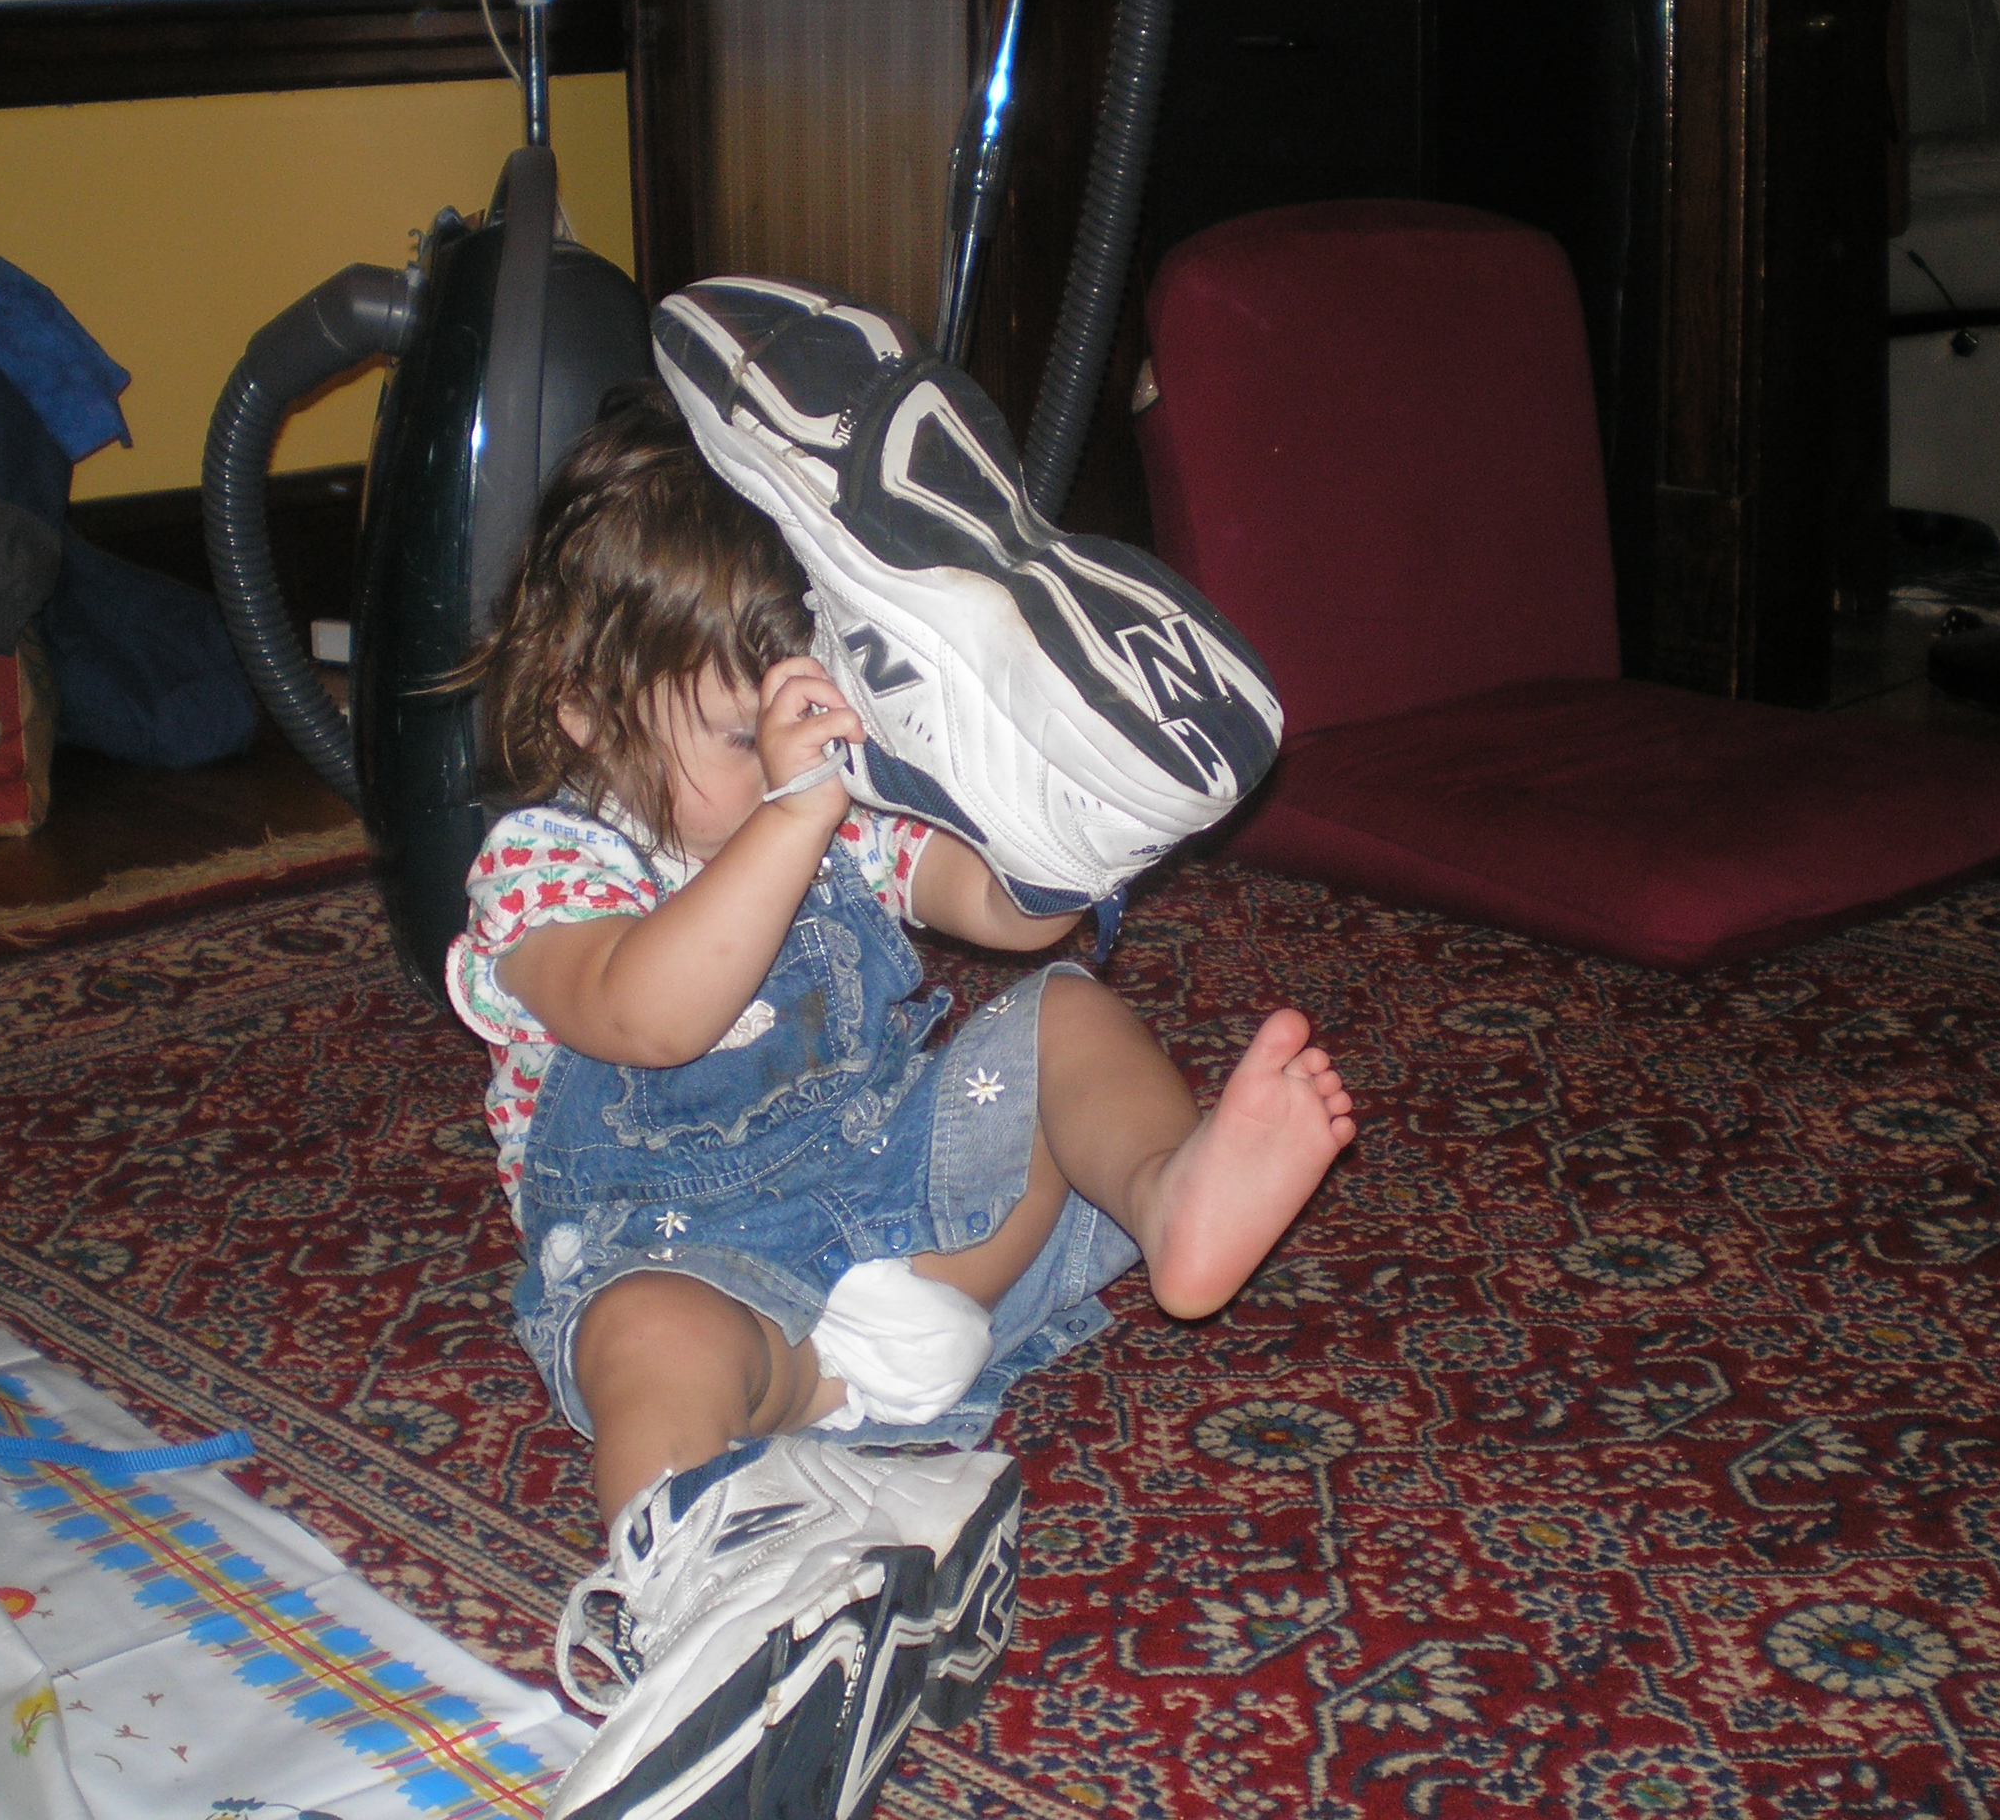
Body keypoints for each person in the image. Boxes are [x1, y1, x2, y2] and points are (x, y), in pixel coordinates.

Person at [448, 387, 1355, 1820]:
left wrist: (1083, 824)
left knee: (1063, 1013)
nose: (798, 764)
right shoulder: (546, 867)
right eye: (741, 738)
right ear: (582, 706)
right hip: (689, 1261)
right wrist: (791, 817)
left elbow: (999, 909)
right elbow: (649, 1011)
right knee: (647, 1339)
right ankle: (704, 1596)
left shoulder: (840, 813)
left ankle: (1171, 1191)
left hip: (912, 1225)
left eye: (812, 724)